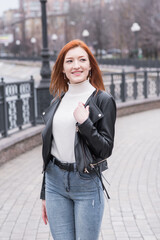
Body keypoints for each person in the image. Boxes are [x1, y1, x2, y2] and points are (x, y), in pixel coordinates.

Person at [40, 39, 116, 240]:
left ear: (90, 66)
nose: (76, 66)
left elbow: (105, 149)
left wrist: (84, 124)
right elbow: (50, 150)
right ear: (62, 69)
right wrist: (44, 193)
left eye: (82, 60)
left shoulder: (103, 100)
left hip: (87, 183)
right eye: (69, 61)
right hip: (54, 183)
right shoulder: (57, 102)